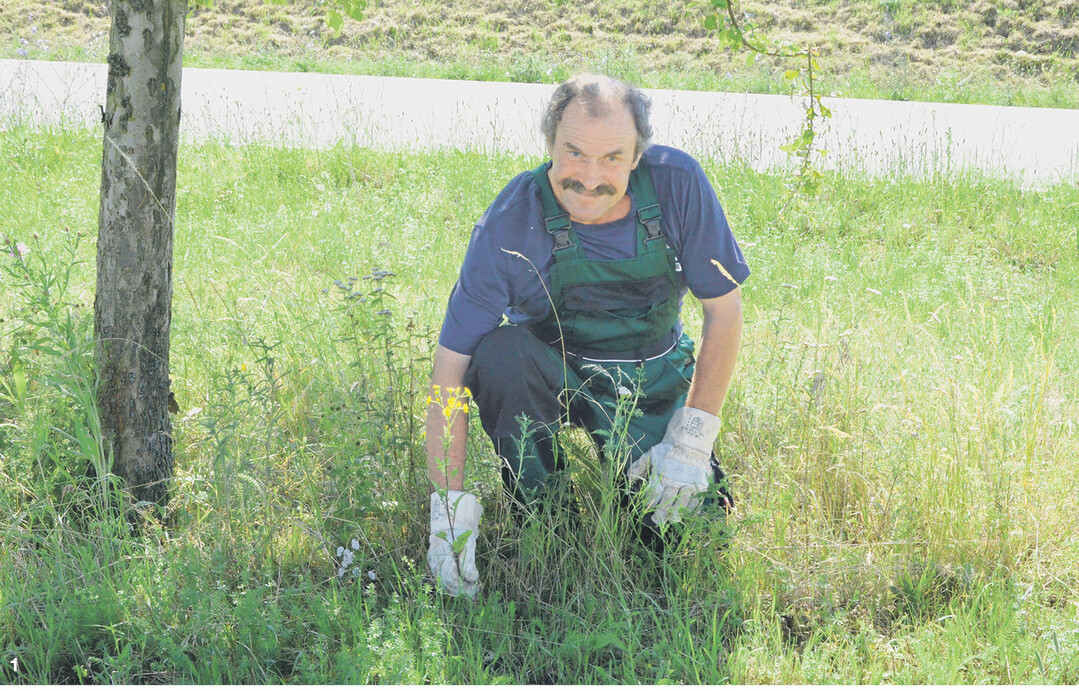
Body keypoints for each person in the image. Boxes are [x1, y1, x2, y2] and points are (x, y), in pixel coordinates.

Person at [425, 74, 750, 597]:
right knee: (501, 354)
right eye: (573, 153)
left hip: (655, 378)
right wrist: (447, 516)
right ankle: (543, 517)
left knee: (676, 541)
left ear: (638, 155)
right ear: (549, 143)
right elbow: (449, 372)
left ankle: (657, 481)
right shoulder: (511, 221)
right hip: (553, 371)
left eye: (612, 159)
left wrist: (691, 444)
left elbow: (725, 313)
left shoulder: (678, 183)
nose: (590, 178)